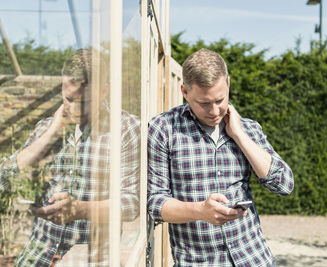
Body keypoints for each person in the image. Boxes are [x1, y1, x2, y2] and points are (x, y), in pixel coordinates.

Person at [147, 48, 294, 266]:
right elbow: (155, 203)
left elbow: (284, 184)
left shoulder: (249, 129)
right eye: (204, 103)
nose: (215, 111)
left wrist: (240, 136)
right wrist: (200, 211)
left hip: (254, 258)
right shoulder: (163, 129)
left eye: (220, 100)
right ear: (184, 91)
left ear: (228, 83)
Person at [0, 49, 140, 266]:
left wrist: (80, 209)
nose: (74, 109)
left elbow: (132, 203)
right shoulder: (47, 127)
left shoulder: (127, 129)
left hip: (89, 257)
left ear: (104, 91)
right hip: (37, 256)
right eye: (68, 99)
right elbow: (5, 176)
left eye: (83, 102)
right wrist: (52, 131)